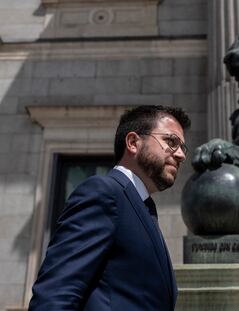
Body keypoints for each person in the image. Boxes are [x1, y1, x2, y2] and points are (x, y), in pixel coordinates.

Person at [28, 105, 191, 311]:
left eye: (182, 148)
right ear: (133, 143)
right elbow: (55, 295)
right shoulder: (104, 193)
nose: (181, 155)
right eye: (171, 142)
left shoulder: (142, 206)